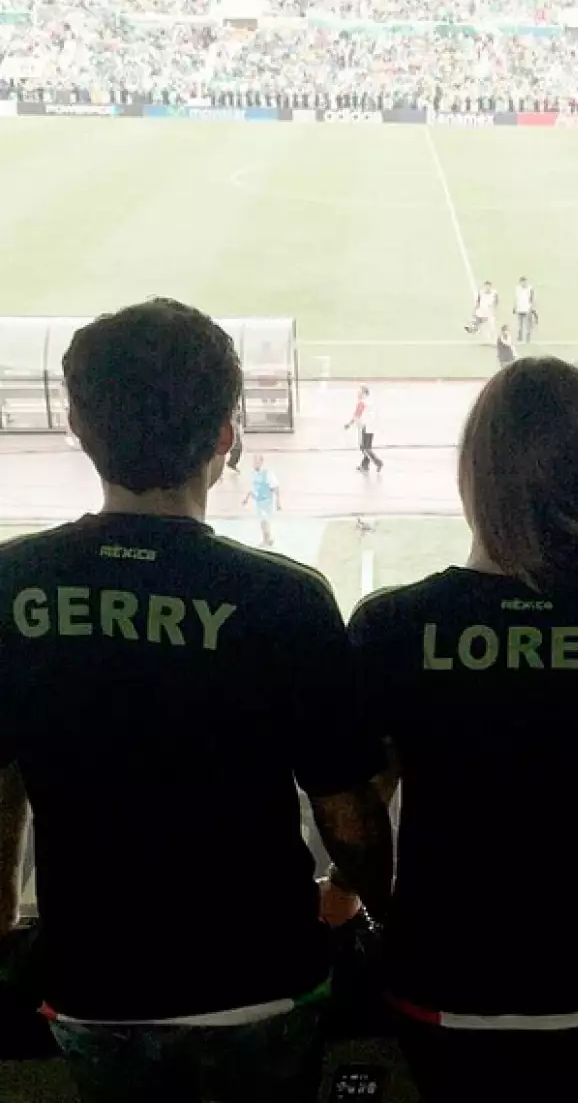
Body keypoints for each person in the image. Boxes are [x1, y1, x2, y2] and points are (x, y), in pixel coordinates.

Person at [0, 299, 394, 1103]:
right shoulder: (287, 598)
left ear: (78, 427)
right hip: (261, 980)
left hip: (89, 983)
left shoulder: (10, 584)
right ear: (224, 437)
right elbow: (348, 818)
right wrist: (361, 898)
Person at [347, 358, 578, 1103]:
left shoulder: (389, 625)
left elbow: (362, 810)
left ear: (473, 474)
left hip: (439, 969)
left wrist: (378, 909)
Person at [243, 452, 281, 547]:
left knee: (265, 520)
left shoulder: (267, 473)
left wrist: (278, 501)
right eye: (254, 461)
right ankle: (268, 539)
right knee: (263, 521)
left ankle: (266, 540)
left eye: (257, 461)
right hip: (258, 502)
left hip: (267, 501)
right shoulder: (254, 474)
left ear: (261, 462)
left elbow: (275, 486)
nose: (255, 463)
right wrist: (246, 499)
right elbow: (252, 489)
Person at [345, 385, 384, 474]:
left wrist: (349, 424)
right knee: (367, 447)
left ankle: (378, 463)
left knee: (365, 448)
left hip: (366, 426)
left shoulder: (362, 403)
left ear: (365, 393)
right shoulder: (370, 402)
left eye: (360, 392)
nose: (358, 394)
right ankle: (364, 466)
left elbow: (356, 415)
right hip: (372, 426)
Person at [514, 276, 537, 344]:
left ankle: (528, 340)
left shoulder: (530, 289)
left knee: (527, 325)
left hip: (527, 309)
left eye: (524, 282)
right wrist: (515, 307)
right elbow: (516, 298)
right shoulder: (517, 288)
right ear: (520, 282)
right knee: (519, 326)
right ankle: (520, 339)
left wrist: (532, 308)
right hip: (519, 309)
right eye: (522, 282)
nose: (523, 283)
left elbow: (532, 299)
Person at [226, 404, 244, 475]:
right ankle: (231, 463)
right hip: (232, 431)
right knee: (237, 448)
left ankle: (232, 463)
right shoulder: (232, 417)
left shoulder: (237, 417)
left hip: (234, 431)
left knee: (238, 448)